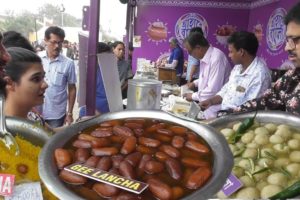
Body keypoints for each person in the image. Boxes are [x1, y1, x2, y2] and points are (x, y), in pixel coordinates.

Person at [226, 2, 300, 116]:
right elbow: (263, 103)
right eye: (288, 40)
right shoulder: (292, 78)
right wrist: (223, 117)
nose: (287, 47)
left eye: (295, 39)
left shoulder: (260, 73)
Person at [199, 31, 271, 117]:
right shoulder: (238, 67)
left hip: (237, 120)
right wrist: (210, 101)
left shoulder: (260, 75)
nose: (229, 55)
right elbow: (226, 89)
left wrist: (216, 121)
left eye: (231, 51)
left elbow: (249, 111)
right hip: (223, 114)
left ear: (241, 52)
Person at [183, 32, 231, 119]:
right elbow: (205, 77)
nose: (190, 55)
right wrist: (195, 83)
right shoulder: (204, 57)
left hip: (216, 108)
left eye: (190, 52)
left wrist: (193, 96)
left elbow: (213, 90)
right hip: (207, 105)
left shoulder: (217, 58)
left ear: (198, 48)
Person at [0, 47, 48, 127]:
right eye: (36, 79)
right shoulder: (5, 131)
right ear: (9, 83)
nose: (45, 85)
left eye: (43, 77)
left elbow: (53, 134)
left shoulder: (31, 114)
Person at [39, 26, 77, 127]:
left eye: (60, 42)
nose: (57, 46)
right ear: (45, 41)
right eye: (53, 42)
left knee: (54, 141)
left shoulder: (68, 63)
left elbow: (72, 88)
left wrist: (69, 113)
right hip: (37, 113)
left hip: (56, 115)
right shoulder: (36, 58)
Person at [79, 42, 112, 117]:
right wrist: (99, 117)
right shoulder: (88, 74)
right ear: (96, 57)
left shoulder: (107, 71)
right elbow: (83, 101)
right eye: (105, 58)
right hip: (91, 115)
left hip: (106, 114)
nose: (107, 60)